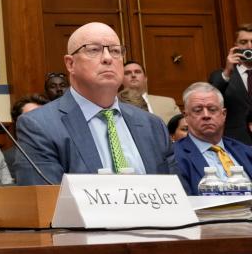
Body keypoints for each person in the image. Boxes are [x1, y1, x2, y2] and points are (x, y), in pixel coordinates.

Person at [15, 22, 179, 185]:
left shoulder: (152, 125)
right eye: (94, 50)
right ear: (70, 64)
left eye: (115, 51)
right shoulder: (39, 126)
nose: (108, 58)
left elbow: (176, 197)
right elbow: (46, 203)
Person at [174, 81, 252, 195]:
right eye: (198, 110)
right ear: (186, 116)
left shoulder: (245, 151)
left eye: (212, 109)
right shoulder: (175, 157)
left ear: (223, 114)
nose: (206, 115)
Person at [208, 23, 252, 144]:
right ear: (236, 46)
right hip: (234, 143)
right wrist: (227, 72)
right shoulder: (220, 76)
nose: (249, 46)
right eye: (243, 42)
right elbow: (209, 100)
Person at [5, 93, 48, 181]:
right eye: (30, 117)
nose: (37, 121)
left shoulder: (63, 151)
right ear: (17, 123)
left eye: (42, 116)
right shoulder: (7, 158)